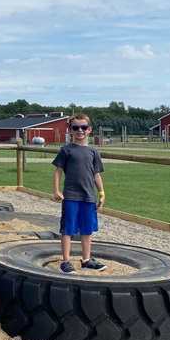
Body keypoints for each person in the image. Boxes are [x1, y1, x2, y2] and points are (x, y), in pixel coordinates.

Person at [53, 113, 106, 273]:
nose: (80, 130)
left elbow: (96, 175)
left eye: (83, 127)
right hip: (70, 196)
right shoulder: (66, 150)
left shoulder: (93, 152)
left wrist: (102, 193)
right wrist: (56, 190)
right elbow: (58, 172)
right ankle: (66, 261)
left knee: (86, 229)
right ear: (70, 130)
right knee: (68, 229)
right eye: (76, 127)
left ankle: (86, 260)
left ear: (89, 130)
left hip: (89, 197)